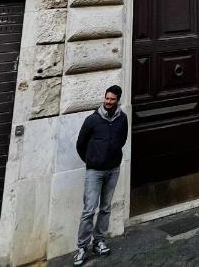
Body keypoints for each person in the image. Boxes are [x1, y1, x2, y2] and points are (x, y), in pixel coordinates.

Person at [73, 85, 129, 265]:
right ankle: (82, 247)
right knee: (89, 210)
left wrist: (113, 157)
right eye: (107, 98)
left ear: (118, 100)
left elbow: (123, 139)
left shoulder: (122, 119)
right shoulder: (92, 120)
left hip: (113, 168)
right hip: (94, 171)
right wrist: (92, 160)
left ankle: (99, 241)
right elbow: (80, 144)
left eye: (112, 99)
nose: (108, 102)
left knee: (105, 207)